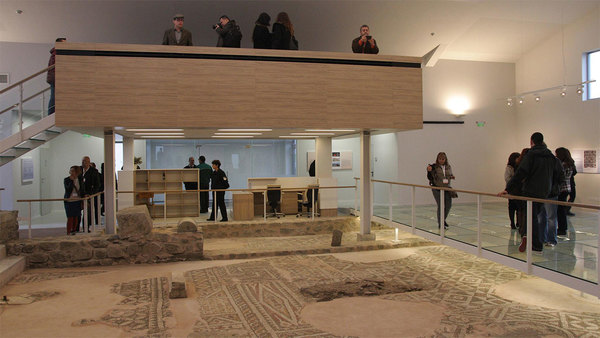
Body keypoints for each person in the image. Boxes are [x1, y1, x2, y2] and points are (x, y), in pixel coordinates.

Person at [500, 132, 562, 253]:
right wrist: (552, 188)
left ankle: (535, 242)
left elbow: (521, 173)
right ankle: (535, 240)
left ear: (531, 141)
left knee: (532, 217)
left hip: (531, 192)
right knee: (540, 216)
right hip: (545, 192)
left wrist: (508, 189)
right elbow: (559, 175)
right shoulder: (551, 157)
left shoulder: (531, 155)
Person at [427, 152, 455, 229]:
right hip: (437, 188)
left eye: (443, 159)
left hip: (446, 188)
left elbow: (449, 174)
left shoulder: (448, 167)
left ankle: (443, 219)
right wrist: (429, 170)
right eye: (440, 159)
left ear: (445, 159)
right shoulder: (434, 166)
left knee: (448, 205)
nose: (441, 160)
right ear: (437, 159)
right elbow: (429, 176)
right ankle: (441, 223)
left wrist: (452, 176)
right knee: (441, 205)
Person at [555, 147, 574, 237]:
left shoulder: (563, 165)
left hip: (562, 189)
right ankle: (563, 227)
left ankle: (562, 229)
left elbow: (560, 178)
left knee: (560, 210)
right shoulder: (569, 165)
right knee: (561, 209)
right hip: (566, 188)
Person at [80, 156, 101, 232]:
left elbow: (97, 185)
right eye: (82, 161)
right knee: (77, 213)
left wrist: (91, 194)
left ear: (89, 162)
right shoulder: (79, 170)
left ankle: (86, 228)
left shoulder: (94, 171)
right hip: (80, 195)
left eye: (85, 161)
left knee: (87, 212)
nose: (83, 163)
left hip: (89, 195)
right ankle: (76, 229)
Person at [47, 37, 66, 115]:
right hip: (55, 78)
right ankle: (51, 113)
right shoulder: (56, 53)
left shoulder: (55, 53)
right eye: (64, 43)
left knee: (54, 96)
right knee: (54, 97)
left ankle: (52, 112)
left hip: (55, 78)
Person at [64, 165, 84, 235]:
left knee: (76, 216)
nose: (71, 172)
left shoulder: (80, 179)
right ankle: (68, 232)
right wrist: (72, 181)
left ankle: (74, 230)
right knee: (70, 217)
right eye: (71, 171)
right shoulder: (66, 179)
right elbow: (68, 188)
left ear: (77, 172)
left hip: (77, 200)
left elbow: (82, 189)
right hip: (69, 201)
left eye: (73, 171)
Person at [504, 152, 520, 229]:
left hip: (518, 191)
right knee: (511, 207)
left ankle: (518, 222)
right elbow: (507, 179)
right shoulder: (509, 168)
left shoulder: (519, 167)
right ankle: (512, 223)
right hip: (511, 190)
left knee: (518, 207)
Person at [566, 149, 577, 216]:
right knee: (572, 196)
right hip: (570, 182)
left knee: (571, 196)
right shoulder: (571, 163)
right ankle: (566, 210)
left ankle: (566, 209)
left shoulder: (570, 163)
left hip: (570, 182)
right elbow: (575, 172)